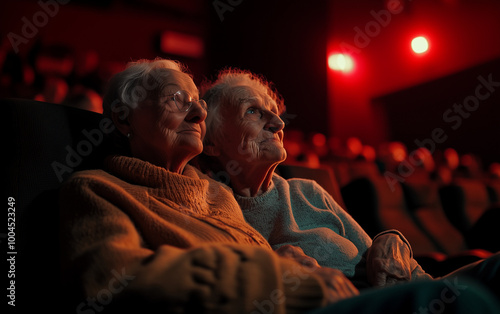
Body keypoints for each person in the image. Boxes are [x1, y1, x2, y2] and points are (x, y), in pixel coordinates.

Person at [58, 58, 500, 313]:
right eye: (180, 102)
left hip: (372, 290)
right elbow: (112, 280)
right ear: (121, 118)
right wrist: (287, 274)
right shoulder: (96, 189)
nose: (196, 114)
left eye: (198, 105)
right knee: (468, 303)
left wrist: (389, 240)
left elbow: (278, 260)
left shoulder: (215, 196)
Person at [198, 68, 500, 294]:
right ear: (211, 142)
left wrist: (392, 240)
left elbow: (374, 250)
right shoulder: (214, 209)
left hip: (419, 290)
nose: (277, 123)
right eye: (253, 111)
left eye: (274, 112)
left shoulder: (306, 190)